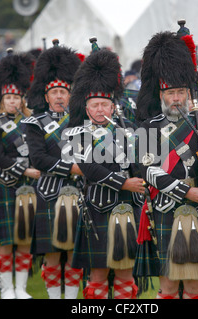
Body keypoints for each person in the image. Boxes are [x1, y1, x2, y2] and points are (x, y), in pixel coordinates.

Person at [135, 31, 198, 299]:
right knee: (167, 286)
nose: (176, 98)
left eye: (181, 92)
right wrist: (186, 191)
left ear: (189, 93)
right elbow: (148, 171)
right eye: (171, 93)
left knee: (194, 286)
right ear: (161, 94)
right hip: (166, 208)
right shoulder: (148, 128)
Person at [65, 43, 144, 299]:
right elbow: (89, 168)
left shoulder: (129, 128)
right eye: (95, 105)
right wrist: (123, 183)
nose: (100, 109)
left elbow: (142, 162)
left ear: (113, 107)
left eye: (104, 105)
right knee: (97, 273)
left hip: (128, 205)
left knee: (125, 271)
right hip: (97, 206)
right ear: (87, 108)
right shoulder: (79, 133)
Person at [23, 43, 83, 299]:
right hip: (48, 192)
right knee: (52, 252)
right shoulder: (34, 123)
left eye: (64, 91)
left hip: (80, 192)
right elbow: (38, 158)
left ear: (71, 94)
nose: (59, 96)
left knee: (73, 251)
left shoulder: (83, 121)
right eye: (55, 92)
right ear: (46, 96)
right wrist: (72, 168)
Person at [0, 53, 40, 299]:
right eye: (8, 97)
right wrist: (24, 169)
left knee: (25, 241)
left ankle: (21, 288)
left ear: (22, 98)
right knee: (6, 242)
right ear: (2, 99)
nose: (13, 101)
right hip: (6, 185)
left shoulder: (32, 121)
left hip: (29, 187)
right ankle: (6, 288)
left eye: (16, 97)